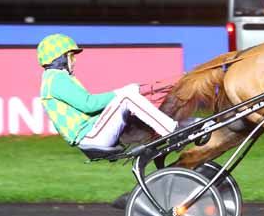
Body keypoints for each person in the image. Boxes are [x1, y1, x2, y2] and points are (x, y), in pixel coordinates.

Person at [37, 33, 191, 151]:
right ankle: (173, 132)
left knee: (127, 98)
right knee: (126, 97)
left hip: (92, 134)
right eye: (71, 56)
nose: (74, 60)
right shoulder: (56, 79)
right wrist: (121, 92)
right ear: (60, 59)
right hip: (91, 136)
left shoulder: (53, 79)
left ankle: (177, 126)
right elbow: (89, 105)